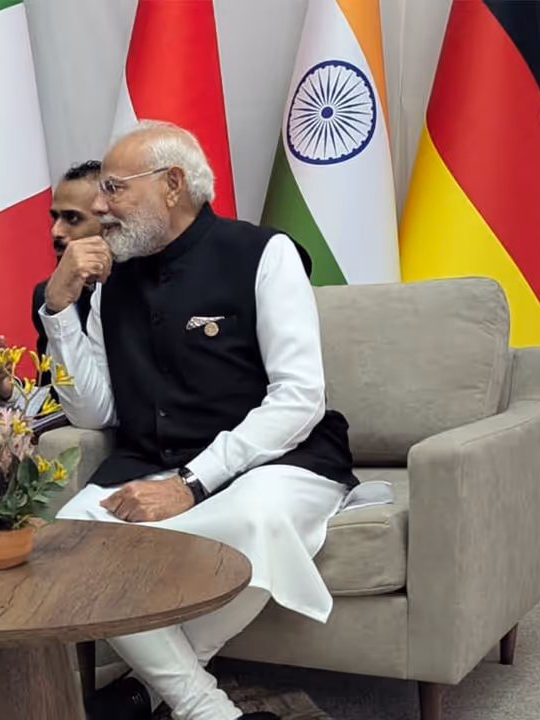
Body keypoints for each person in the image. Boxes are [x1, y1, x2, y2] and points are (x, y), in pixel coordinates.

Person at [39, 121, 357, 720]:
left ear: (173, 185)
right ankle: (203, 707)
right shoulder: (111, 283)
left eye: (114, 189)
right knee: (72, 536)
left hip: (277, 459)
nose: (99, 207)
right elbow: (95, 411)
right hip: (151, 460)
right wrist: (59, 308)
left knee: (258, 515)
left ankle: (158, 694)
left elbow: (299, 398)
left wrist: (190, 484)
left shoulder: (264, 254)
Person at [0, 160, 102, 411]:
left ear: (109, 221)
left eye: (72, 218)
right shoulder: (46, 295)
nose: (56, 232)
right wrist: (10, 390)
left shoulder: (138, 289)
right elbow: (59, 398)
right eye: (55, 218)